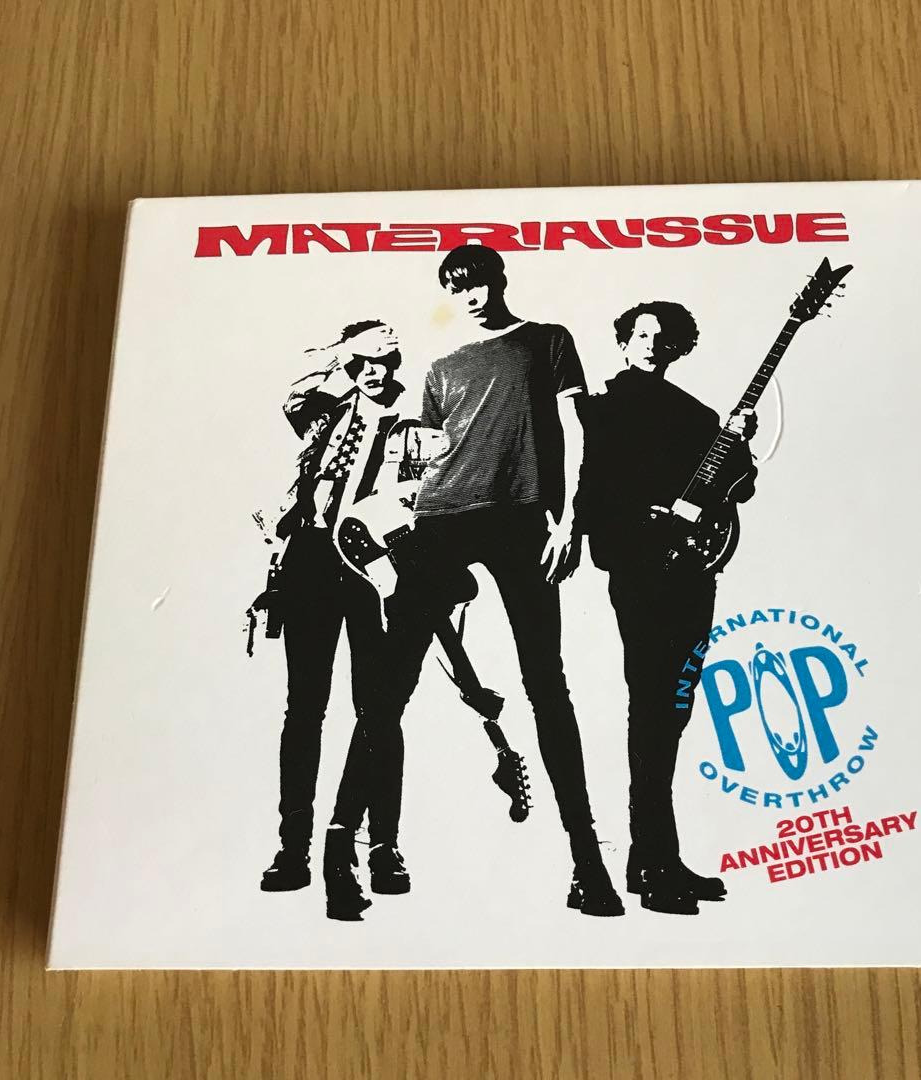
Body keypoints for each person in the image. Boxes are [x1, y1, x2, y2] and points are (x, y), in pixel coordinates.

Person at [349, 243, 624, 918]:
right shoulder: (442, 368)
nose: (469, 296)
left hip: (523, 518)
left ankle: (588, 865)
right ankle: (356, 846)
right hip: (441, 519)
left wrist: (571, 521)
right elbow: (423, 463)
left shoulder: (546, 340)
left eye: (476, 283)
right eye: (456, 287)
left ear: (499, 280)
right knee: (389, 687)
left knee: (546, 684)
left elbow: (577, 434)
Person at [580, 301, 758, 915]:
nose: (653, 344)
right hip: (640, 571)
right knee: (653, 708)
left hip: (695, 575)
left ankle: (652, 857)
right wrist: (642, 520)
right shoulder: (601, 408)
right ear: (625, 341)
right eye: (642, 334)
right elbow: (588, 493)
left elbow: (739, 486)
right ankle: (655, 866)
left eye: (664, 337)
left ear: (678, 347)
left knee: (674, 710)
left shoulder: (696, 414)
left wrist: (738, 440)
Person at [260, 320, 409, 921]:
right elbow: (293, 393)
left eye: (384, 360)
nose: (373, 372)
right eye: (362, 363)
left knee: (378, 709)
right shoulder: (326, 411)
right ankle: (292, 847)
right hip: (309, 561)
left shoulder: (415, 416)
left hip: (373, 566)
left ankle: (382, 847)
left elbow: (420, 497)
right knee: (304, 708)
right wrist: (340, 354)